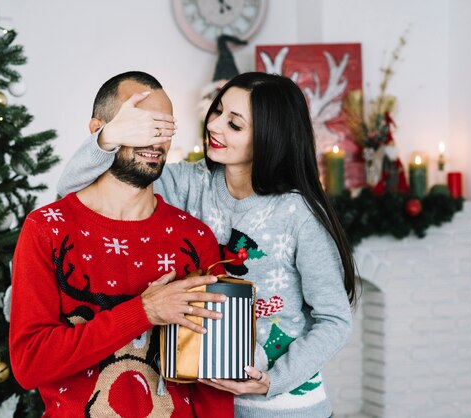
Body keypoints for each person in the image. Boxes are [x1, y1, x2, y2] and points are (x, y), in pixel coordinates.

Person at [57, 72, 358, 418]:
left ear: (268, 138)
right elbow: (76, 193)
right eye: (216, 112)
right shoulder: (189, 183)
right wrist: (109, 136)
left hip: (286, 410)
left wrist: (272, 380)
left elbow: (334, 320)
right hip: (210, 404)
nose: (214, 126)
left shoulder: (298, 214)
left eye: (234, 124)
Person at [9, 71, 233, 417]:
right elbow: (30, 364)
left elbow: (212, 388)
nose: (155, 140)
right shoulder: (47, 230)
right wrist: (143, 311)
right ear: (99, 129)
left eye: (165, 128)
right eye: (142, 125)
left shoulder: (194, 238)